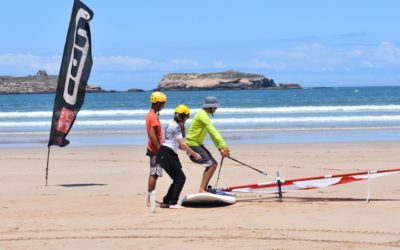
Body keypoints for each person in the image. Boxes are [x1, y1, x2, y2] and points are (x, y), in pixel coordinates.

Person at [156, 104, 201, 208]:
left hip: (165, 153)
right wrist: (194, 154)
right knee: (180, 178)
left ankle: (167, 201)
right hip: (167, 154)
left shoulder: (170, 124)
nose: (187, 119)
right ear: (184, 116)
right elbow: (182, 144)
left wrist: (188, 151)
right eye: (188, 116)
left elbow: (175, 144)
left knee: (177, 178)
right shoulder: (176, 126)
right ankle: (173, 203)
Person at [186, 96, 230, 193]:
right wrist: (223, 146)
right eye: (215, 107)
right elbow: (213, 131)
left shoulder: (204, 114)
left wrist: (220, 148)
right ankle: (202, 189)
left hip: (197, 144)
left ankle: (204, 189)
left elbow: (211, 133)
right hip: (193, 145)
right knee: (211, 165)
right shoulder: (203, 115)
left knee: (213, 164)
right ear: (210, 107)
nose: (216, 109)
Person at [145, 91, 167, 206]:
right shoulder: (153, 117)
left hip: (153, 148)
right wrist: (159, 150)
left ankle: (150, 199)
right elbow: (153, 135)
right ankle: (150, 200)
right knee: (154, 174)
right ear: (157, 103)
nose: (163, 105)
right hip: (154, 150)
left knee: (155, 173)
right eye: (163, 103)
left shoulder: (151, 115)